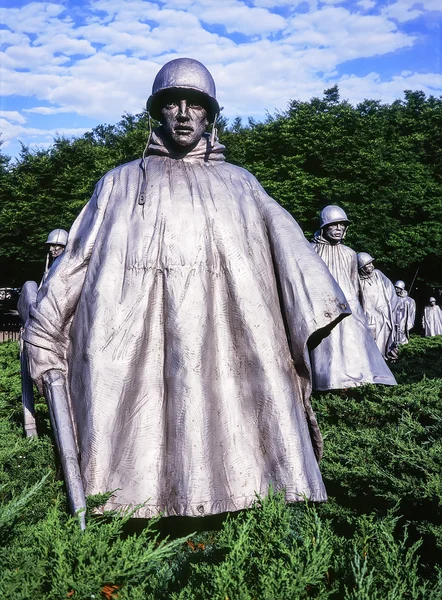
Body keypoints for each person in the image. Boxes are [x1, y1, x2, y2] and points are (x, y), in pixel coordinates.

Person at [23, 58, 351, 519]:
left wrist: (333, 340)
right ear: (157, 112)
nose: (182, 113)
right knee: (143, 426)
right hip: (137, 342)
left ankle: (247, 499)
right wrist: (43, 331)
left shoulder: (241, 185)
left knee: (231, 425)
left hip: (226, 342)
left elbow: (295, 261)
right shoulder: (118, 183)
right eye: (172, 103)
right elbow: (74, 264)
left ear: (208, 115)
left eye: (194, 105)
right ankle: (134, 507)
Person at [310, 205, 396, 390]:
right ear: (324, 227)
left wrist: (358, 309)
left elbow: (353, 283)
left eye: (342, 225)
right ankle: (327, 382)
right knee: (328, 347)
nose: (339, 229)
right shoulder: (311, 250)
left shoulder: (349, 254)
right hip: (323, 306)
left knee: (353, 344)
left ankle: (357, 381)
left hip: (350, 307)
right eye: (334, 225)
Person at [357, 252, 398, 360]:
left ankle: (387, 356)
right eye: (367, 264)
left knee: (386, 335)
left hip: (383, 313)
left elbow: (391, 290)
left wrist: (390, 308)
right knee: (372, 336)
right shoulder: (357, 280)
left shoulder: (378, 274)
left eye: (371, 263)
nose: (370, 266)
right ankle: (375, 360)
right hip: (369, 314)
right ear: (361, 267)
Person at [394, 280, 415, 344]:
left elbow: (411, 312)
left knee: (401, 332)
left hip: (403, 319)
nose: (396, 289)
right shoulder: (394, 298)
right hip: (394, 318)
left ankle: (403, 345)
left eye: (397, 287)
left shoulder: (408, 300)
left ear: (401, 288)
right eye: (395, 287)